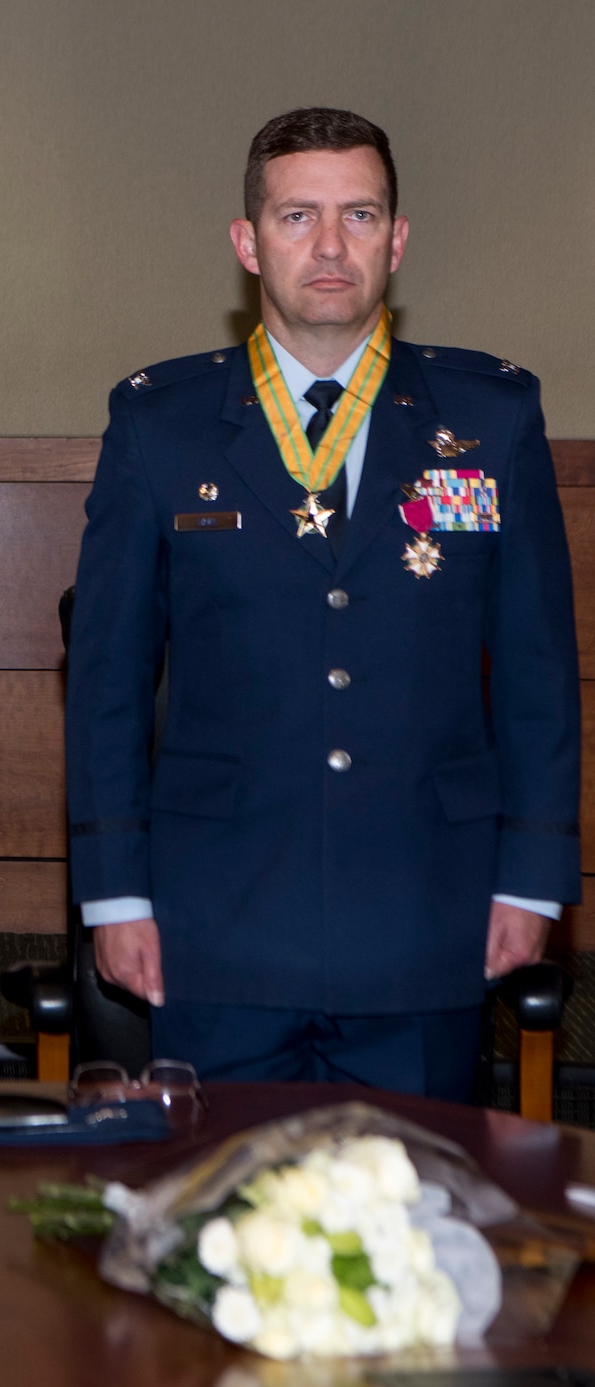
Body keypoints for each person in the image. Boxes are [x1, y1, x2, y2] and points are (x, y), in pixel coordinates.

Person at [66, 107, 580, 1100]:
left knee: (411, 1215)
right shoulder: (158, 425)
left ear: (395, 239)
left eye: (358, 214)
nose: (330, 245)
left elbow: (535, 671)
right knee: (216, 1221)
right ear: (246, 243)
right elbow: (105, 683)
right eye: (297, 217)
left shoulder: (488, 418)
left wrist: (528, 875)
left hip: (426, 912)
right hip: (213, 919)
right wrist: (113, 892)